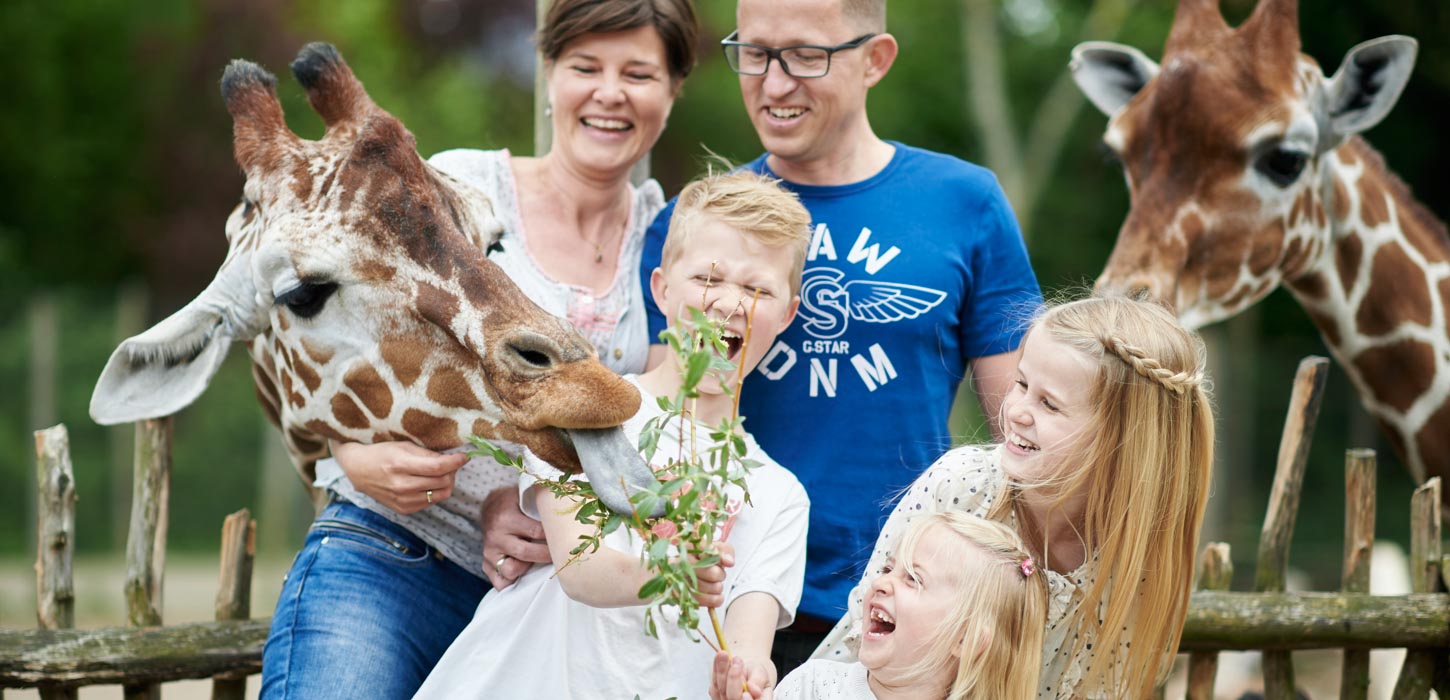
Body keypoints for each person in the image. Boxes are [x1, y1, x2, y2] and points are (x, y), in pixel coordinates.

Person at [259, 1, 698, 697]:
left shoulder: (673, 239)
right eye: (585, 66)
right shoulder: (455, 190)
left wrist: (523, 501)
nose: (609, 92)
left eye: (639, 72)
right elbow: (323, 328)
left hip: (548, 606)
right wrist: (350, 454)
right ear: (548, 73)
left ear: (673, 91)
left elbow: (670, 422)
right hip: (395, 553)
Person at [634, 0, 1044, 672]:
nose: (771, 84)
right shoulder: (694, 222)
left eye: (804, 56)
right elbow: (667, 428)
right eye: (755, 53)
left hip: (896, 617)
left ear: (875, 59)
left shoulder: (965, 203)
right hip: (720, 609)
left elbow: (1021, 435)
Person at [413, 169, 813, 699]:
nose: (730, 303)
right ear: (662, 290)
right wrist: (671, 572)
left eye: (757, 288)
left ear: (787, 313)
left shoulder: (780, 496)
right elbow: (582, 570)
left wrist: (745, 679)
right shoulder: (587, 410)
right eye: (709, 280)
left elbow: (747, 643)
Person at [816, 295, 1216, 698]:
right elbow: (860, 640)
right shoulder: (963, 485)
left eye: (1049, 405)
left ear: (1121, 440)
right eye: (1022, 384)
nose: (1018, 412)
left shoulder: (1130, 560)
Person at [713, 511, 1048, 700]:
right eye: (889, 569)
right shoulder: (814, 686)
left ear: (966, 639)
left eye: (913, 580)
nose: (882, 582)